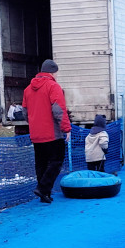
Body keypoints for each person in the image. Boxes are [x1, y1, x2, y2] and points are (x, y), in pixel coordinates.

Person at [22, 58, 71, 203]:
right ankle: (43, 189)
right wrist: (66, 129)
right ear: (52, 72)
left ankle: (45, 194)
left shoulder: (27, 89)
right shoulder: (53, 87)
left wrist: (34, 123)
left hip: (36, 134)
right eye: (56, 74)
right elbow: (58, 110)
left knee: (41, 163)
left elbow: (25, 112)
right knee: (56, 161)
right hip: (53, 133)